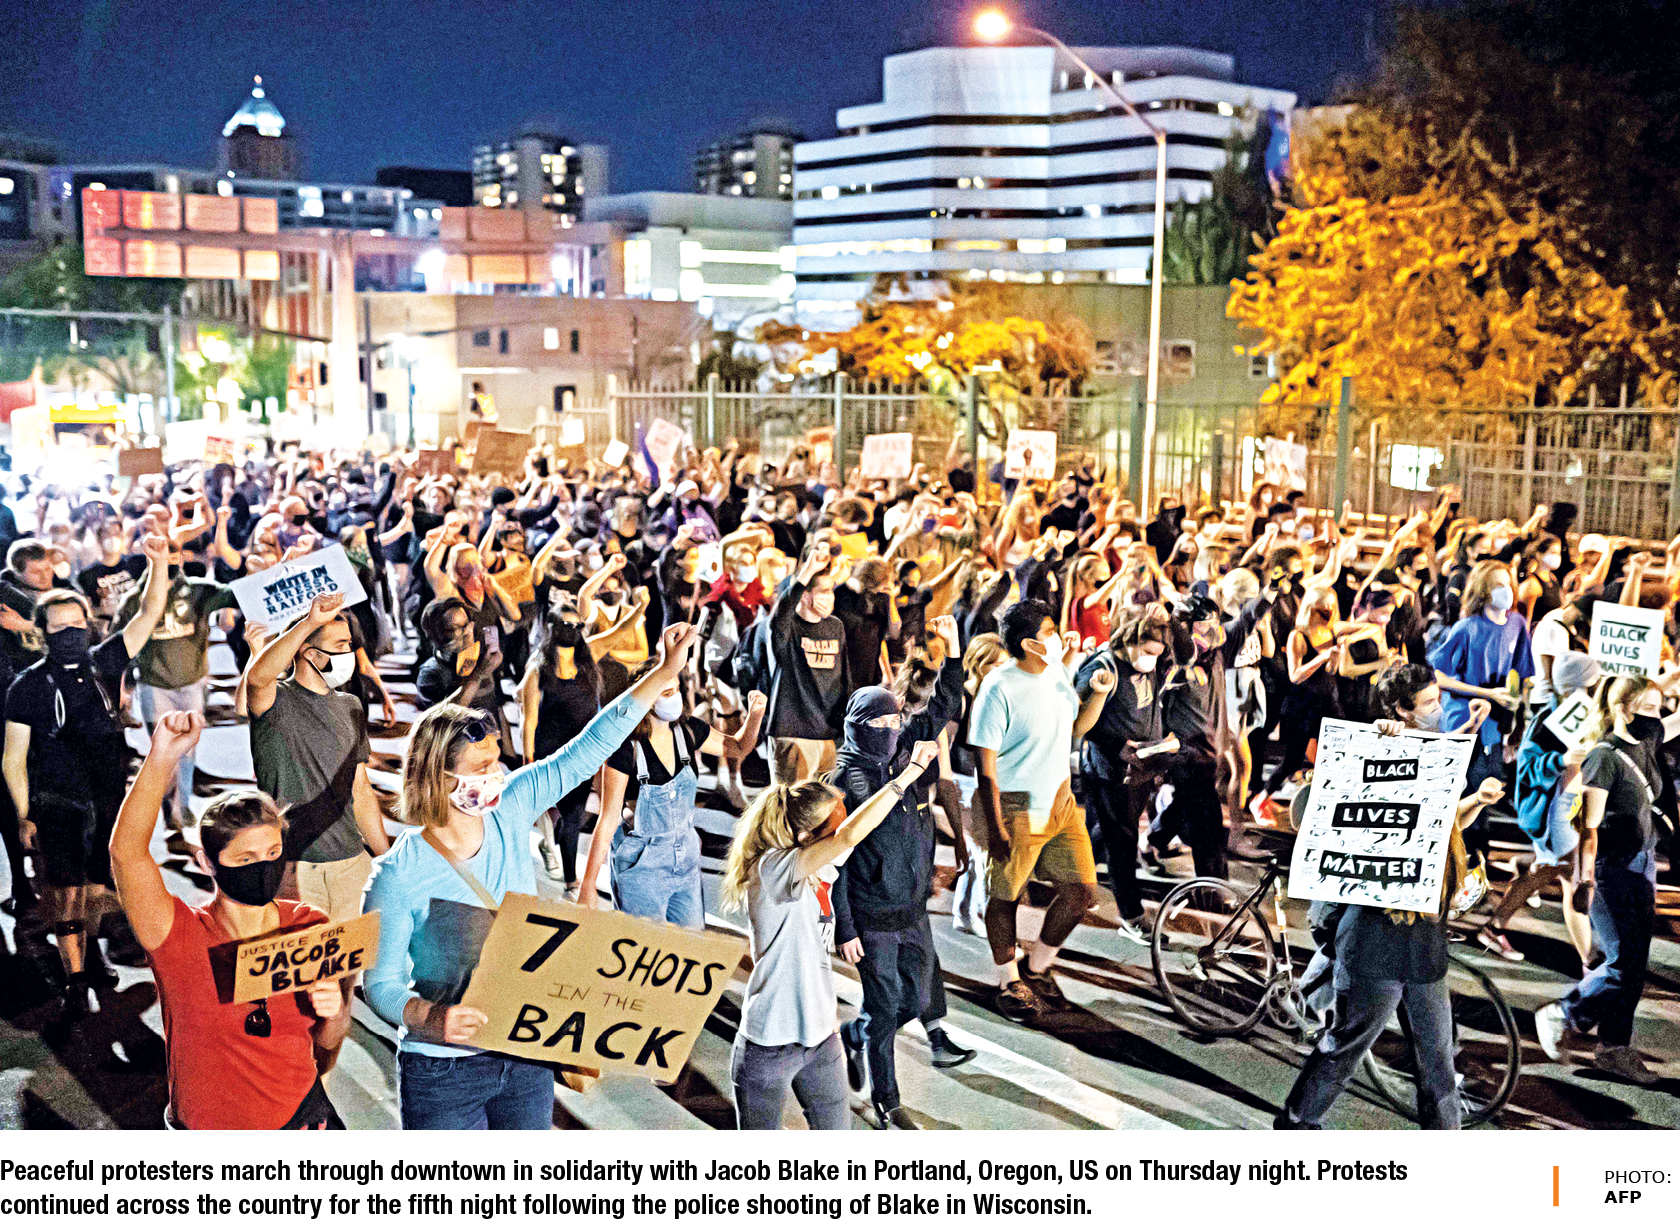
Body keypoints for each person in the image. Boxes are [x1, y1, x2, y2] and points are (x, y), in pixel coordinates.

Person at [361, 623, 698, 1130]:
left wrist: (664, 672)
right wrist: (431, 1018)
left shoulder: (512, 805)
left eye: (496, 762)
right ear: (438, 776)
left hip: (525, 1056)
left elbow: (590, 746)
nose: (496, 775)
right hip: (445, 1074)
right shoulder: (398, 875)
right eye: (481, 767)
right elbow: (381, 984)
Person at [1276, 663, 1506, 1129]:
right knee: (1344, 1047)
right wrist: (1381, 744)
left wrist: (1477, 800)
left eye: (1438, 699)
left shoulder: (1434, 759)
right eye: (1429, 703)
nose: (1439, 709)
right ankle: (1297, 1125)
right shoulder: (1373, 756)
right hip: (1374, 939)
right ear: (1401, 710)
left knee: (1438, 1060)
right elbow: (1341, 812)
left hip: (1423, 936)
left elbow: (1442, 826)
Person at [107, 711, 350, 1127]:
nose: (264, 867)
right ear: (208, 863)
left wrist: (335, 1011)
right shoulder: (177, 935)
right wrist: (162, 756)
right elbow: (126, 853)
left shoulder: (308, 925)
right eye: (246, 859)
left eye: (273, 854)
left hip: (302, 1120)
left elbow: (327, 1039)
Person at [720, 739, 940, 1130]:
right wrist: (910, 774)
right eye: (838, 820)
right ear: (811, 836)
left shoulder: (820, 863)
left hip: (822, 1040)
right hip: (769, 1044)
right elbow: (849, 835)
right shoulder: (771, 870)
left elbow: (856, 829)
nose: (845, 822)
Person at [5, 534, 171, 1015]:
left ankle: (94, 955)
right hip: (57, 802)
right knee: (65, 891)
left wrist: (159, 563)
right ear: (41, 632)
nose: (70, 633)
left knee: (100, 884)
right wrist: (24, 814)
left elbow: (149, 613)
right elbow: (13, 759)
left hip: (107, 799)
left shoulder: (106, 662)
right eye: (59, 627)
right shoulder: (27, 686)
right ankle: (75, 975)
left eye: (77, 624)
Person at [831, 616, 974, 1128]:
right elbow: (836, 863)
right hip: (872, 917)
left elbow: (943, 705)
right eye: (881, 725)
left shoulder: (903, 748)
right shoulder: (845, 780)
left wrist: (953, 652)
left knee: (916, 998)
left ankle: (855, 1034)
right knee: (887, 1006)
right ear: (857, 727)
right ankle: (887, 1102)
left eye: (896, 721)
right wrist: (845, 927)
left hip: (913, 910)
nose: (893, 730)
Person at [970, 600, 1112, 1023]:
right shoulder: (998, 687)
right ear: (1029, 643)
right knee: (1005, 896)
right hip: (1017, 805)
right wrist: (995, 825)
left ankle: (1037, 968)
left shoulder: (1055, 673)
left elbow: (1076, 727)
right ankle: (1008, 981)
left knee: (1082, 892)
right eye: (1049, 631)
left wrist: (1098, 693)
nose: (1057, 636)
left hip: (1061, 802)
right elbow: (985, 766)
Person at [1535, 675, 1672, 1086]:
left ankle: (1614, 1049)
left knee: (1634, 965)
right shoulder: (1603, 758)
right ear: (1621, 709)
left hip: (1642, 864)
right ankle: (1563, 1012)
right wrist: (1585, 881)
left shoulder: (1648, 740)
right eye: (1648, 708)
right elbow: (1589, 829)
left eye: (1660, 708)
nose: (1657, 716)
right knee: (1621, 965)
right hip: (1611, 871)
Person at [578, 660, 765, 928]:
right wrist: (588, 884)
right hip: (641, 862)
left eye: (677, 689)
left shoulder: (689, 730)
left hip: (685, 855)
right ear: (645, 696)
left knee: (691, 939)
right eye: (666, 693)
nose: (675, 697)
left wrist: (755, 715)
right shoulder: (626, 748)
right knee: (642, 941)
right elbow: (607, 819)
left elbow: (737, 747)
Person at [245, 592, 390, 922]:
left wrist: (386, 859)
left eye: (349, 644)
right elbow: (257, 677)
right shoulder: (276, 702)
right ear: (309, 653)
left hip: (351, 862)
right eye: (340, 645)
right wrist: (310, 622)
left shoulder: (350, 706)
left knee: (359, 954)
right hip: (296, 868)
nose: (350, 652)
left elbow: (360, 790)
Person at [117, 538, 239, 837]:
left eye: (173, 555)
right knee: (164, 751)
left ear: (182, 558)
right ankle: (167, 805)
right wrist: (123, 687)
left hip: (192, 682)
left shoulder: (199, 590)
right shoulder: (134, 599)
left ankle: (179, 807)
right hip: (154, 685)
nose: (170, 562)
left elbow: (238, 595)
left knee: (187, 750)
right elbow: (118, 647)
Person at [765, 545, 849, 782]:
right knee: (789, 800)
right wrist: (808, 570)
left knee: (823, 803)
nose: (830, 597)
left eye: (832, 591)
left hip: (827, 733)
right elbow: (782, 611)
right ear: (805, 595)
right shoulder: (789, 627)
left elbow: (843, 677)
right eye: (824, 591)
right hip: (793, 732)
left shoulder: (835, 626)